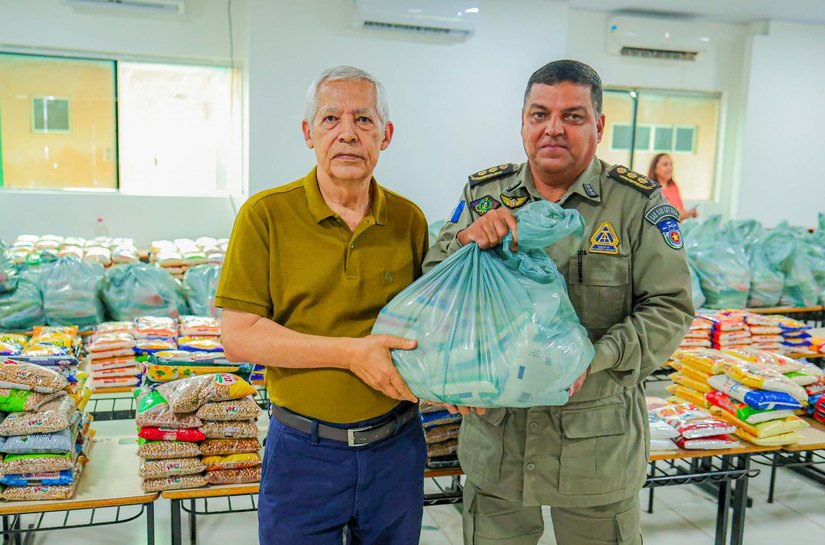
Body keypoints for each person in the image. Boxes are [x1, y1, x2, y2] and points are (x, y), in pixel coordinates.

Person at [425, 60, 694, 545]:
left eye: (572, 116)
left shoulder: (635, 204)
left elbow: (669, 308)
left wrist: (597, 355)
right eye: (539, 114)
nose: (553, 128)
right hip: (499, 439)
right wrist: (465, 239)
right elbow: (435, 287)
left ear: (599, 124)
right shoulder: (485, 195)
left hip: (596, 444)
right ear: (522, 121)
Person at [216, 65, 429, 545]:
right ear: (308, 133)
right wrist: (351, 353)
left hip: (395, 448)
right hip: (303, 453)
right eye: (331, 119)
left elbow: (427, 325)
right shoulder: (265, 216)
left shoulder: (408, 220)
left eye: (364, 120)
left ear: (386, 135)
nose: (348, 134)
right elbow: (239, 335)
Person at [648, 152, 698, 219]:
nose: (670, 168)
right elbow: (661, 216)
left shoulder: (673, 186)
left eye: (671, 165)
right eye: (665, 165)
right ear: (655, 169)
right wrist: (684, 215)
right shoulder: (652, 190)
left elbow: (681, 210)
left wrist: (689, 213)